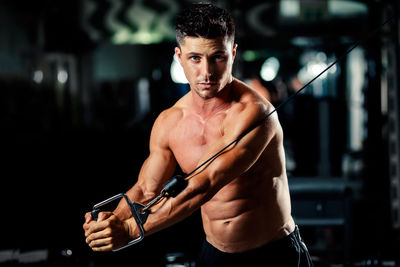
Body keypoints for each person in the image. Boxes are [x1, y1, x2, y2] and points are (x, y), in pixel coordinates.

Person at [83, 3, 313, 266]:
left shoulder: (254, 113)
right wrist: (111, 220)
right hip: (214, 253)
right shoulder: (170, 121)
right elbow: (147, 188)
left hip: (272, 253)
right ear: (179, 57)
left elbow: (204, 185)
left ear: (233, 53)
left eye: (218, 57)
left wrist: (131, 230)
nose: (206, 73)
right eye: (195, 58)